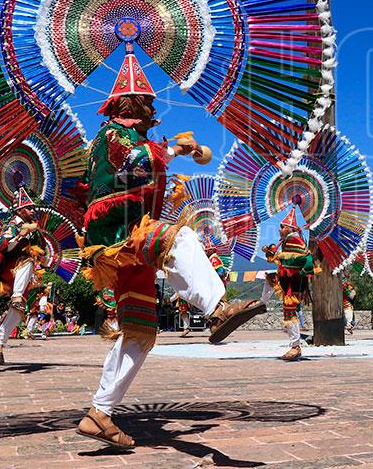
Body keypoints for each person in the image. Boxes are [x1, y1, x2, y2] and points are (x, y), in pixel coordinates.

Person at [75, 43, 264, 449]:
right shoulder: (112, 134)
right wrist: (177, 149)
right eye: (144, 101)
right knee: (180, 235)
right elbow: (133, 168)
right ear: (130, 104)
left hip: (126, 238)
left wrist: (177, 153)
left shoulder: (130, 137)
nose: (150, 107)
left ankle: (99, 413)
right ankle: (216, 310)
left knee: (139, 332)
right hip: (117, 235)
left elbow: (145, 170)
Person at [0, 187, 50, 363]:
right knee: (27, 260)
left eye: (33, 209)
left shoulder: (35, 227)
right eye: (29, 208)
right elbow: (4, 247)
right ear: (20, 210)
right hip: (11, 268)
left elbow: (40, 251)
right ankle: (16, 295)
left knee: (18, 311)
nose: (32, 211)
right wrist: (22, 233)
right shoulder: (14, 222)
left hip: (26, 274)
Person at [262, 208, 316, 359]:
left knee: (290, 312)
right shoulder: (288, 240)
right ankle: (261, 305)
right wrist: (273, 253)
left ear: (289, 228)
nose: (279, 230)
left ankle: (295, 347)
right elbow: (285, 259)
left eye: (281, 227)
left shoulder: (293, 239)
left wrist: (278, 256)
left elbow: (303, 259)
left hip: (293, 283)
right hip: (287, 280)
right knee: (269, 279)